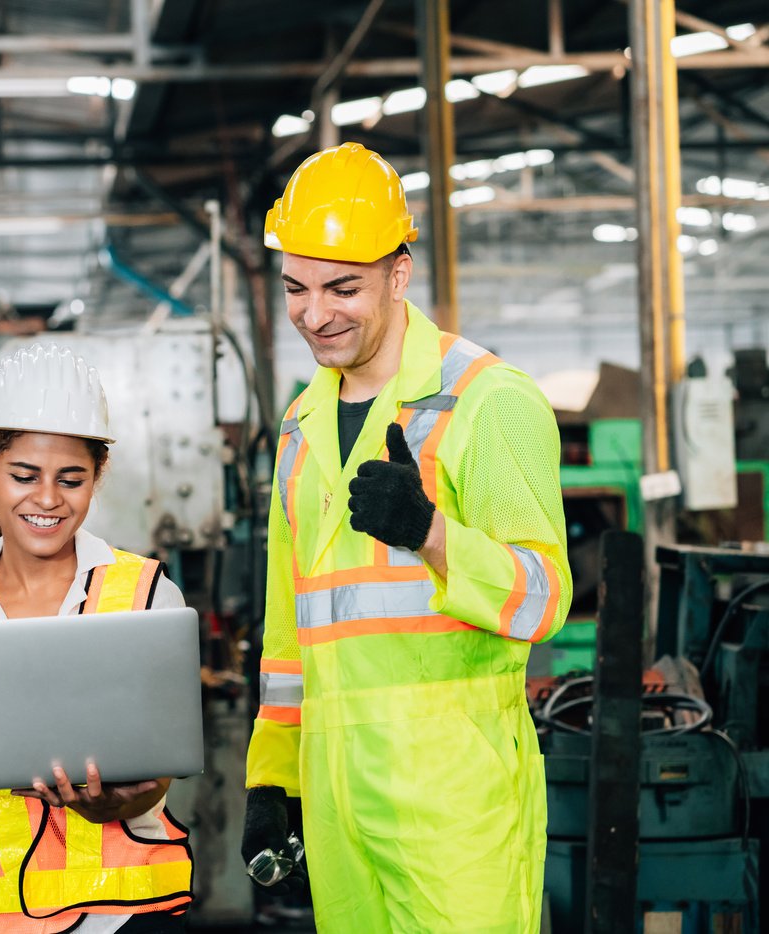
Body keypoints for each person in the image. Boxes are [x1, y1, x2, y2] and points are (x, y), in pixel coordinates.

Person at [241, 142, 571, 932]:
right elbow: (289, 630)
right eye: (296, 288)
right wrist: (272, 777)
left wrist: (430, 534)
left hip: (453, 802)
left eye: (342, 288)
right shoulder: (301, 423)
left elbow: (545, 600)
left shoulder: (486, 399)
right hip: (336, 799)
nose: (314, 314)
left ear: (398, 274)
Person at [0, 343, 194, 933]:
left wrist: (114, 803)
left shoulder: (147, 594)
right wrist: (3, 740)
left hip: (126, 916)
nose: (48, 499)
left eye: (71, 479)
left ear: (96, 478)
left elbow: (159, 774)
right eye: (24, 476)